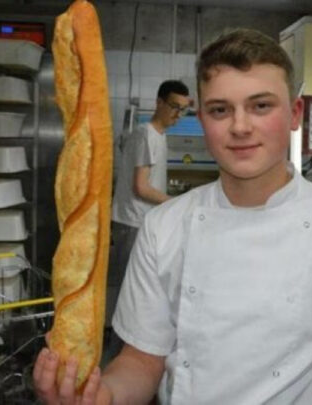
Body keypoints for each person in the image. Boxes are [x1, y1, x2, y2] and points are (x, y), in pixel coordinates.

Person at [35, 28, 312, 405]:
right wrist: (99, 396)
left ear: (295, 113)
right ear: (203, 120)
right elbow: (142, 362)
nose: (240, 127)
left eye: (261, 106)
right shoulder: (164, 228)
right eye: (220, 110)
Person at [107, 80, 191, 356]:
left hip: (140, 222)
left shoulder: (157, 134)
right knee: (127, 293)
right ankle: (116, 357)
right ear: (158, 102)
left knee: (136, 292)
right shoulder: (146, 135)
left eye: (184, 110)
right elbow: (140, 187)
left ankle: (125, 353)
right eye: (174, 107)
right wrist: (178, 203)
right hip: (132, 222)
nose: (178, 115)